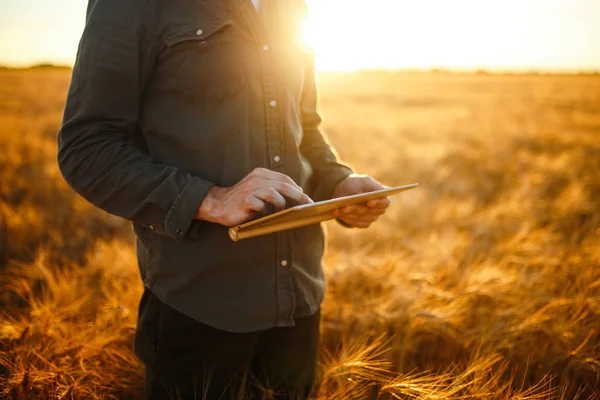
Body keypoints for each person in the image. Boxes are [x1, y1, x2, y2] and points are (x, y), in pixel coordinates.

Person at [57, 0, 390, 398]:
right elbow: (86, 147)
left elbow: (304, 128)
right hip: (200, 305)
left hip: (298, 299)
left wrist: (338, 183)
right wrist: (212, 199)